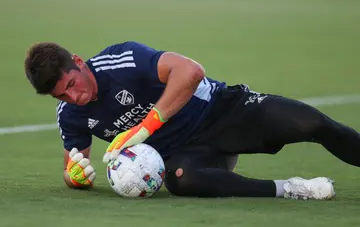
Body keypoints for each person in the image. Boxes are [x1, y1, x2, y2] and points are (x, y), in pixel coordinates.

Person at [24, 41, 360, 200]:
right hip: (186, 154)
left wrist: (147, 125)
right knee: (182, 180)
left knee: (313, 124)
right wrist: (75, 176)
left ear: (79, 63)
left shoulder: (121, 60)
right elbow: (74, 163)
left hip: (223, 111)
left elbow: (191, 71)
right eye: (61, 96)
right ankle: (289, 189)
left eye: (71, 85)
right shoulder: (70, 115)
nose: (74, 98)